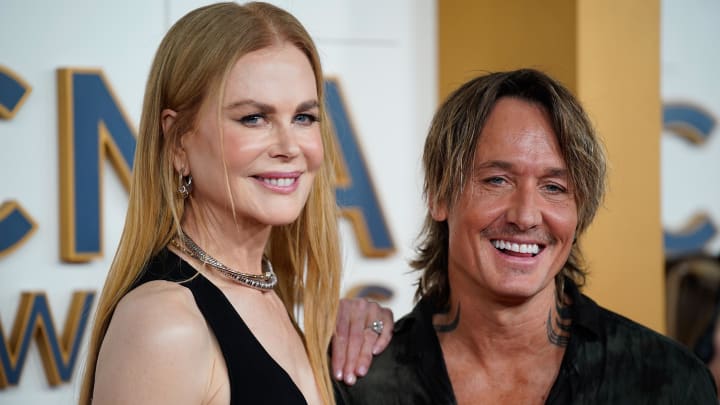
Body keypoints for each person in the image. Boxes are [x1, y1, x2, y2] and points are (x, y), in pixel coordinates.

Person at [337, 68, 718, 404]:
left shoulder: (665, 382)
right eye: (497, 180)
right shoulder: (362, 381)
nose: (525, 215)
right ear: (439, 194)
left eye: (554, 187)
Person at [79, 2, 390, 404]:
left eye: (303, 117)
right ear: (178, 142)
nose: (288, 147)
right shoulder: (164, 323)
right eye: (253, 118)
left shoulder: (265, 291)